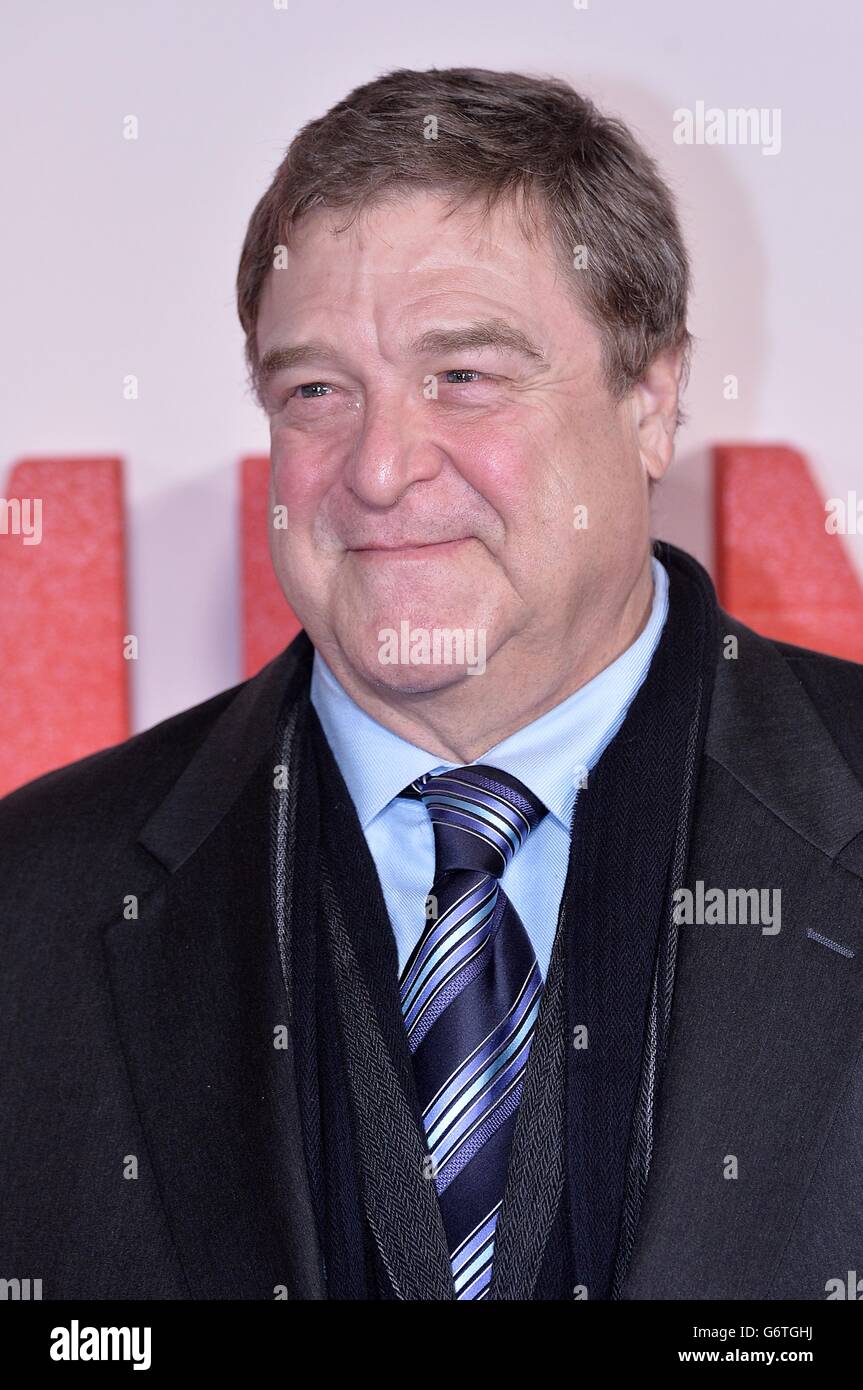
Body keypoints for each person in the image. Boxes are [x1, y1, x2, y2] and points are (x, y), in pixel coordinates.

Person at [2, 67, 862, 1302]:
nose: (380, 467)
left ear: (650, 400)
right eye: (315, 391)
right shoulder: (29, 904)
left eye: (463, 375)